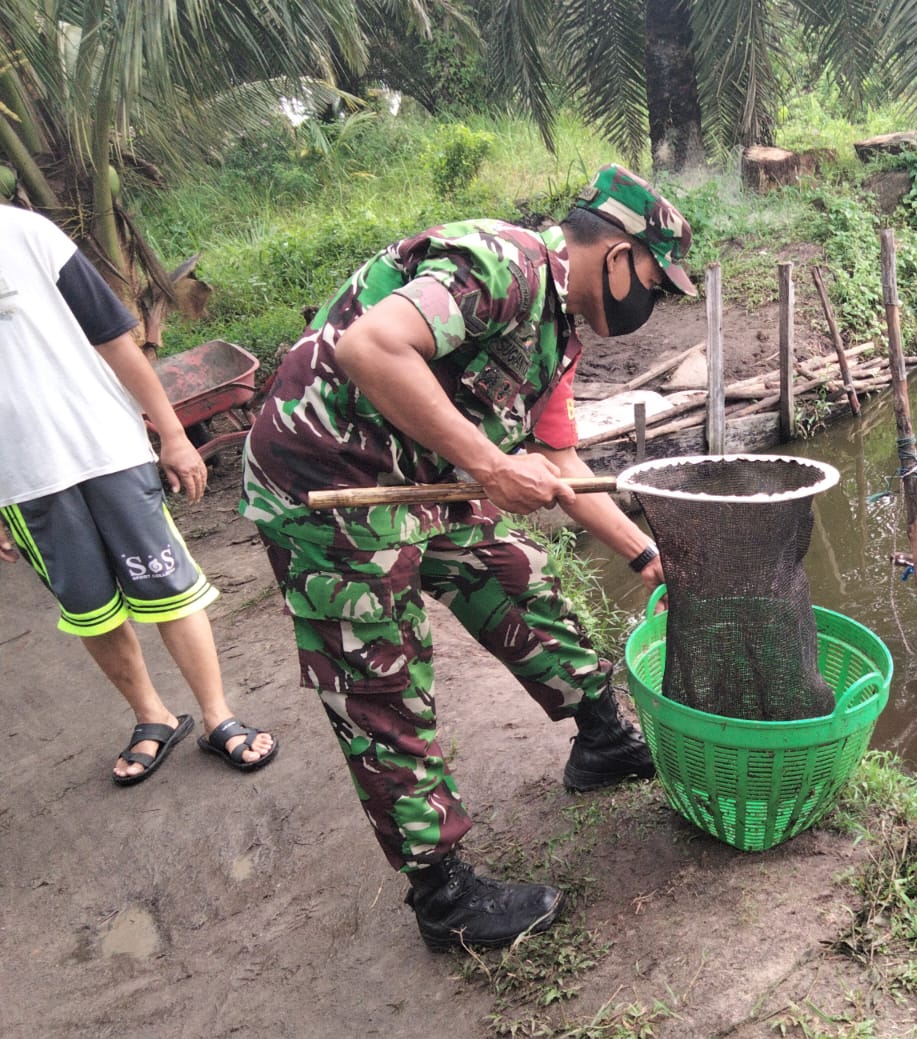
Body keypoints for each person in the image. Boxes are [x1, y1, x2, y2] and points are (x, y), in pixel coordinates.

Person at [240, 164, 694, 952]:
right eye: (657, 280)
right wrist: (487, 465)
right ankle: (441, 893)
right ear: (619, 255)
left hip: (422, 474)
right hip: (328, 478)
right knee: (379, 672)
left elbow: (557, 465)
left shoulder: (563, 336)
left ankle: (602, 740)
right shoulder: (502, 263)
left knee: (521, 579)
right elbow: (372, 348)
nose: (653, 303)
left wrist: (641, 548)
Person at [0, 204, 278, 785]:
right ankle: (152, 717)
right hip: (21, 481)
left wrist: (173, 434)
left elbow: (115, 341)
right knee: (89, 609)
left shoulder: (26, 234)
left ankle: (217, 717)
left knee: (169, 587)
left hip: (108, 450)